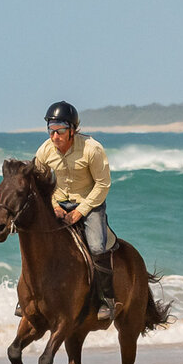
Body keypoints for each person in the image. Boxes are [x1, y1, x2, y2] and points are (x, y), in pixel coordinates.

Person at [32, 101, 117, 321]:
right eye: (51, 130)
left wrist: (81, 211)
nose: (55, 136)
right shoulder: (44, 151)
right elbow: (40, 184)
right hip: (58, 204)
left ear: (72, 130)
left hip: (90, 203)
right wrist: (54, 206)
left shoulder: (92, 149)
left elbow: (103, 184)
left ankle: (106, 300)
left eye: (60, 130)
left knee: (97, 247)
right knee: (36, 243)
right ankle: (30, 298)